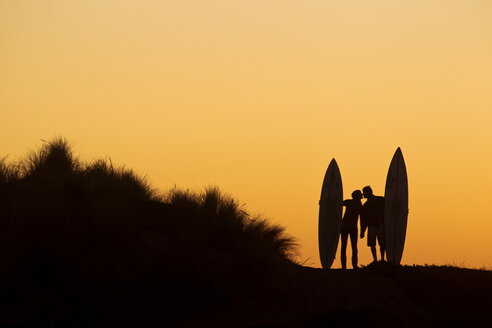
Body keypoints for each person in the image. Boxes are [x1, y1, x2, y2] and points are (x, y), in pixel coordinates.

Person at [360, 186, 386, 263]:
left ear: (369, 192)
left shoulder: (381, 200)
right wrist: (362, 231)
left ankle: (382, 259)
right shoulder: (365, 205)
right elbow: (363, 220)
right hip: (371, 226)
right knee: (372, 244)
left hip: (380, 224)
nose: (363, 194)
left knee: (382, 243)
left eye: (364, 192)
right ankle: (375, 259)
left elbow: (389, 207)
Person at [340, 190, 363, 269]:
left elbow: (337, 203)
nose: (361, 196)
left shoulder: (351, 203)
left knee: (346, 246)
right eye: (360, 195)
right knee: (351, 247)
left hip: (348, 227)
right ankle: (350, 265)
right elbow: (337, 203)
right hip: (349, 227)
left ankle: (346, 266)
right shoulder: (355, 204)